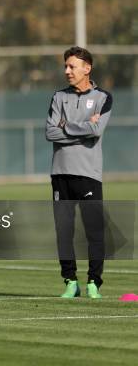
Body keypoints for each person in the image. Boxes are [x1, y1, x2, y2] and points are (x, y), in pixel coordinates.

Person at [45, 46, 112, 299]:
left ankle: (94, 282)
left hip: (89, 175)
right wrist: (83, 126)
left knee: (94, 231)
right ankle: (70, 281)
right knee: (63, 231)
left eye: (72, 66)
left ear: (87, 68)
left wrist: (66, 126)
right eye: (65, 66)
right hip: (60, 174)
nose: (67, 71)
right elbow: (50, 132)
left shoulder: (104, 97)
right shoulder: (58, 97)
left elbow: (96, 132)